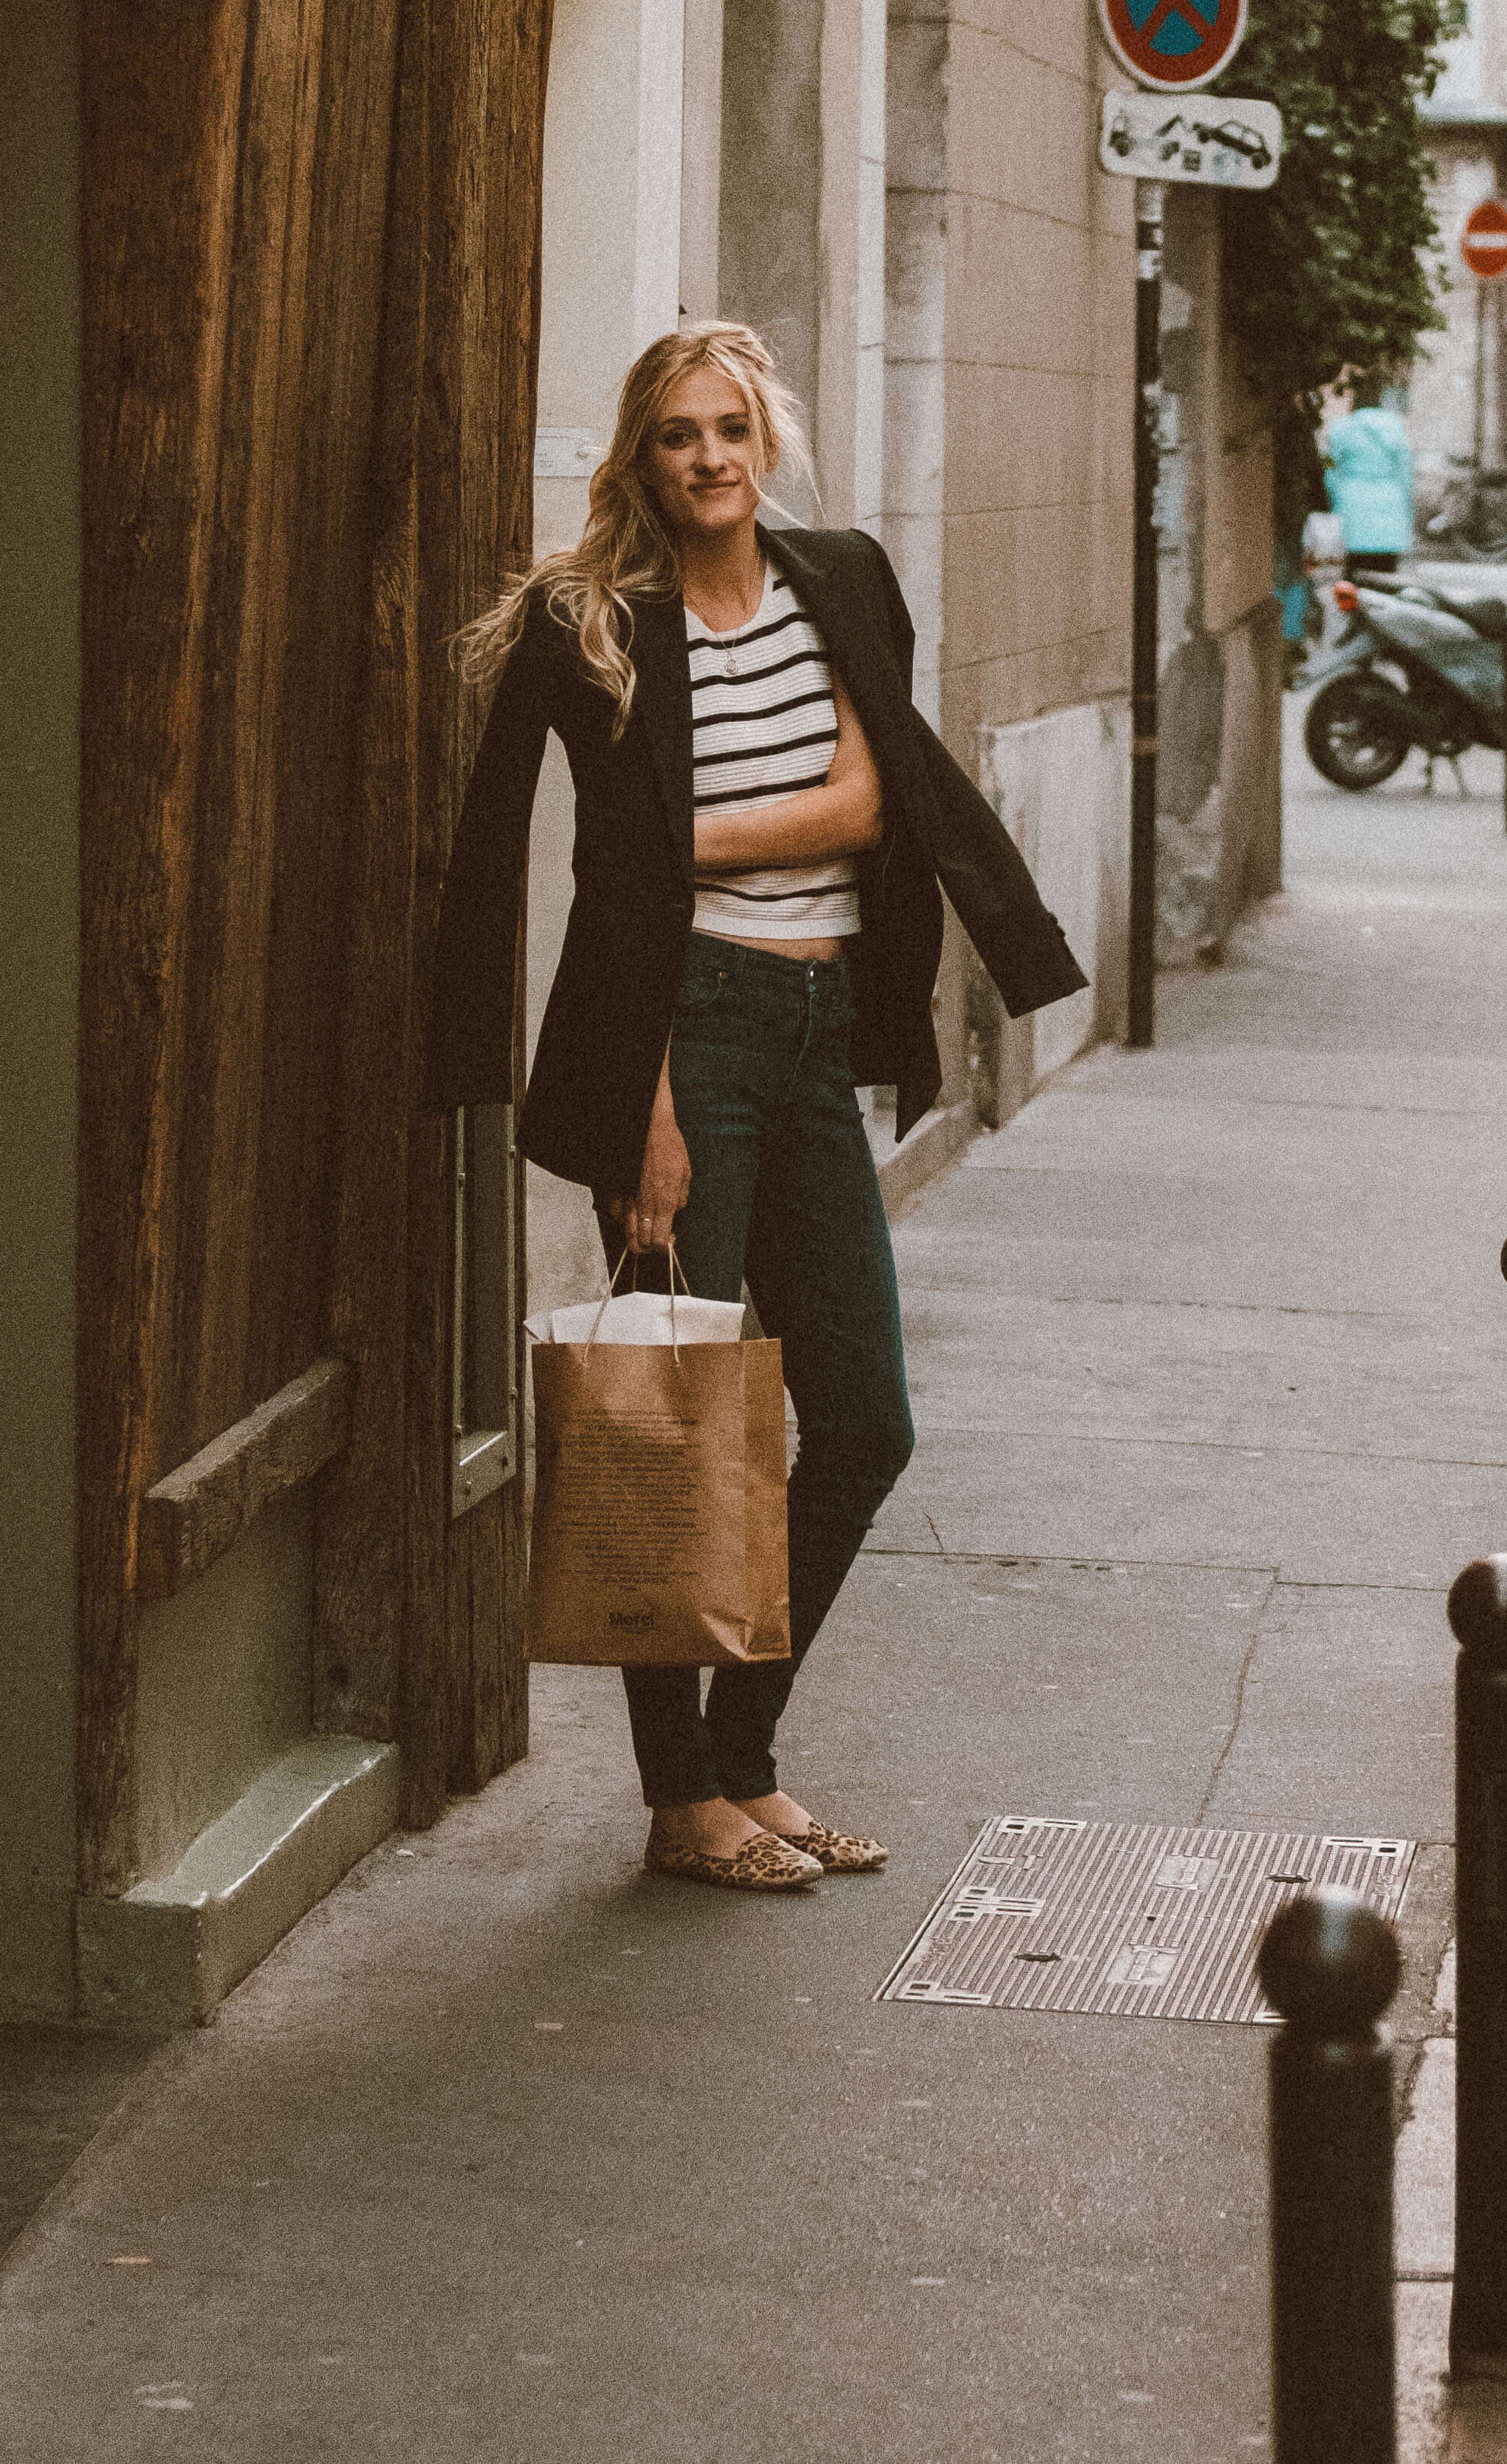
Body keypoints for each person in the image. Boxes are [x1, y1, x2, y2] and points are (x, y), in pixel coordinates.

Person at [431, 323, 1086, 1894]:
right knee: (675, 1414)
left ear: (764, 442)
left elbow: (874, 805)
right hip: (684, 1039)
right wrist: (639, 1107)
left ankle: (745, 1754)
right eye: (675, 434)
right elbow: (598, 887)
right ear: (638, 458)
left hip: (809, 1027)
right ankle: (683, 1800)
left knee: (860, 1418)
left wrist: (682, 841)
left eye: (729, 428)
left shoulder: (841, 581)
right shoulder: (592, 625)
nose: (707, 457)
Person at [1320, 388, 1417, 582]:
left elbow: (1331, 467)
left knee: (1354, 574)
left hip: (1353, 502)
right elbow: (1405, 471)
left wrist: (1332, 498)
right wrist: (1407, 505)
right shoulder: (1395, 427)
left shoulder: (1342, 427)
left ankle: (1355, 609)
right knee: (1387, 575)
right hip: (1391, 502)